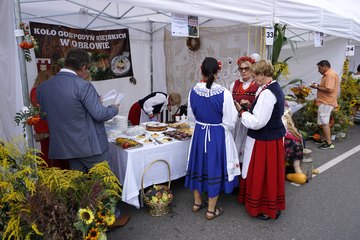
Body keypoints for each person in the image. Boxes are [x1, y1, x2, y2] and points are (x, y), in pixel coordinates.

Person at [37, 48, 129, 228]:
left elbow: (49, 115)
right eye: (87, 69)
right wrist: (115, 108)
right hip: (91, 145)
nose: (87, 72)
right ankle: (111, 217)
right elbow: (100, 114)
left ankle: (86, 218)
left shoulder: (43, 88)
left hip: (67, 146)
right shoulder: (83, 85)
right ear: (83, 67)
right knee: (104, 182)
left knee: (80, 186)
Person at [185, 57, 240, 220]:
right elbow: (230, 121)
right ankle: (210, 210)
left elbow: (190, 117)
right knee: (213, 168)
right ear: (217, 73)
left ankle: (197, 202)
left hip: (200, 133)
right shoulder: (224, 93)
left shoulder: (193, 91)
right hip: (216, 134)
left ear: (201, 71)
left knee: (197, 165)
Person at [236, 60, 286, 220]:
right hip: (271, 138)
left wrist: (242, 113)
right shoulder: (271, 88)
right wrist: (249, 108)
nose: (253, 77)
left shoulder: (267, 93)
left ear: (263, 75)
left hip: (265, 140)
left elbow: (258, 122)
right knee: (269, 174)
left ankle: (264, 207)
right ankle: (269, 205)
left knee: (263, 175)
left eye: (255, 74)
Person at [229, 56, 259, 163]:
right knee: (234, 148)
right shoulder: (234, 84)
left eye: (246, 68)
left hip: (249, 122)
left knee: (247, 150)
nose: (243, 71)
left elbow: (260, 106)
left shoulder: (257, 86)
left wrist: (249, 104)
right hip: (237, 122)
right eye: (241, 69)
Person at [309, 60, 339, 150]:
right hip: (325, 101)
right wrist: (318, 85)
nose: (319, 70)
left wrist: (316, 87)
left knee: (325, 122)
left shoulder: (330, 75)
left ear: (325, 67)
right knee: (322, 122)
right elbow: (327, 87)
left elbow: (329, 89)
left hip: (327, 102)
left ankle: (329, 143)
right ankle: (323, 139)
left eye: (319, 68)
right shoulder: (329, 74)